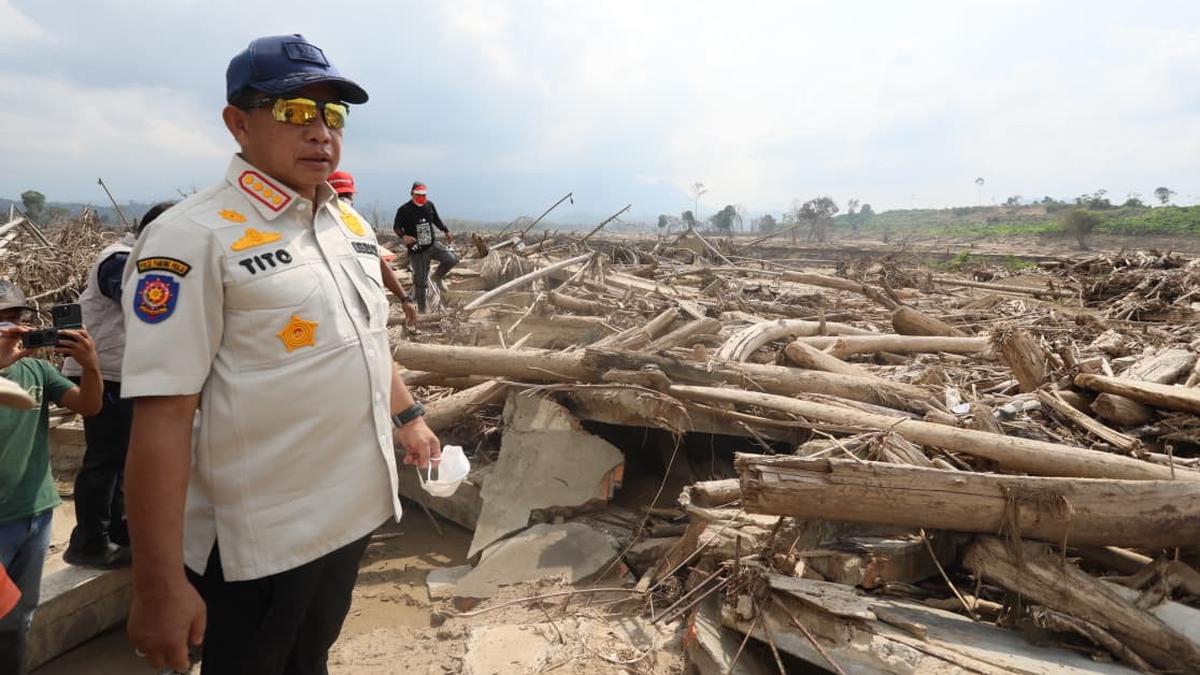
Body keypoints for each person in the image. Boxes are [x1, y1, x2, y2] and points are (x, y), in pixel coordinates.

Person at [121, 34, 441, 675]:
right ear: (238, 123)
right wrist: (157, 584)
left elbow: (367, 341)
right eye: (296, 112)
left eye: (334, 115)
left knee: (310, 658)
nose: (321, 132)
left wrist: (409, 418)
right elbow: (162, 416)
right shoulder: (193, 237)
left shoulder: (345, 224)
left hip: (350, 515)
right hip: (260, 542)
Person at [61, 203, 174, 570]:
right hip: (102, 371)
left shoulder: (143, 259)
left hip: (123, 372)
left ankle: (117, 533)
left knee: (124, 456)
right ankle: (89, 542)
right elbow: (139, 299)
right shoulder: (121, 258)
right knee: (106, 457)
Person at [0, 281, 102, 674]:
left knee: (20, 616)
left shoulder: (38, 370)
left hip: (37, 512)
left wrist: (91, 364)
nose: (14, 329)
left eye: (16, 319)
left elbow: (89, 406)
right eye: (2, 322)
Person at [327, 171, 418, 327]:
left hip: (356, 313)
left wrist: (404, 298)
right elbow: (380, 263)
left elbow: (378, 262)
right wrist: (404, 298)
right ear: (352, 195)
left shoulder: (355, 225)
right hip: (353, 314)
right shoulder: (360, 225)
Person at [393, 181, 458, 312]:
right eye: (418, 195)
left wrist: (446, 231)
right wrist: (404, 237)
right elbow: (396, 227)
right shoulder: (404, 210)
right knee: (421, 282)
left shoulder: (429, 205)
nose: (421, 197)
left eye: (424, 195)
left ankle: (436, 277)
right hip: (417, 250)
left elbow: (436, 220)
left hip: (432, 245)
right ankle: (422, 311)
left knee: (452, 259)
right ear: (412, 194)